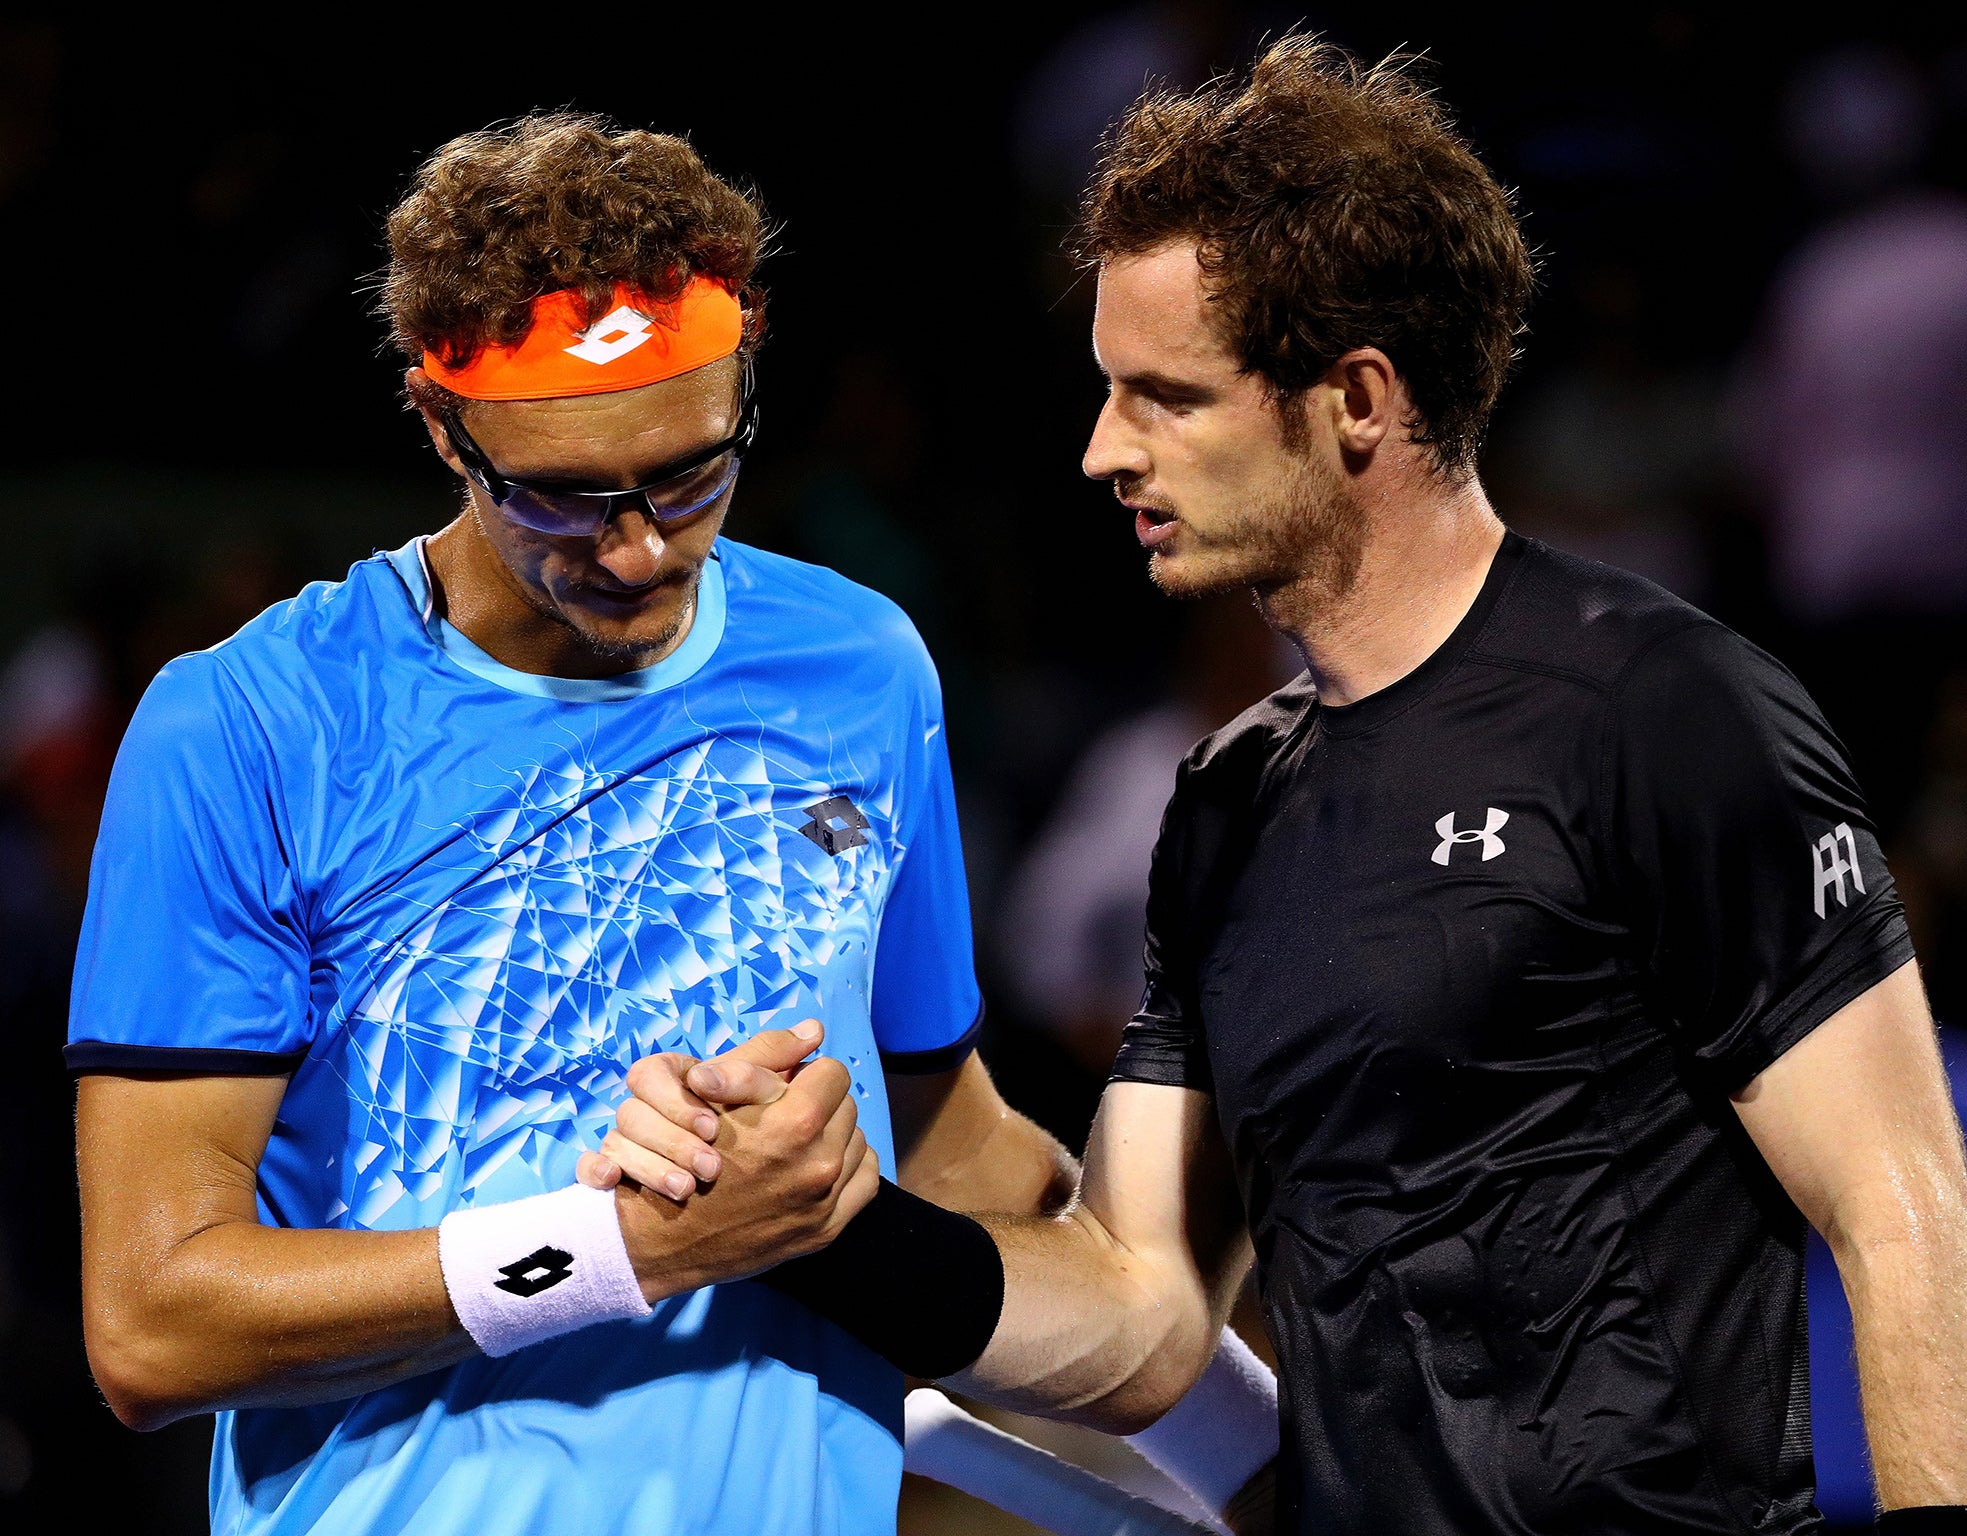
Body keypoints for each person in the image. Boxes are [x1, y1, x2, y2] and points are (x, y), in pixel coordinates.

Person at [606, 41, 1967, 1535]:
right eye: (1108, 393)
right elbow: (1144, 1309)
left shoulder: (1668, 713)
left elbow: (1904, 1208)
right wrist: (825, 1225)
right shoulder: (1222, 804)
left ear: (1354, 399)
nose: (1104, 452)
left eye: (1166, 397)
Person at [66, 113, 1271, 1536]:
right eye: (566, 498)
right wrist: (621, 1248)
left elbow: (947, 1144)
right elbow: (152, 1327)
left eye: (692, 470)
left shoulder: (861, 667)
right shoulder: (248, 727)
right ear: (438, 422)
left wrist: (1262, 1441)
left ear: (749, 358)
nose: (640, 548)